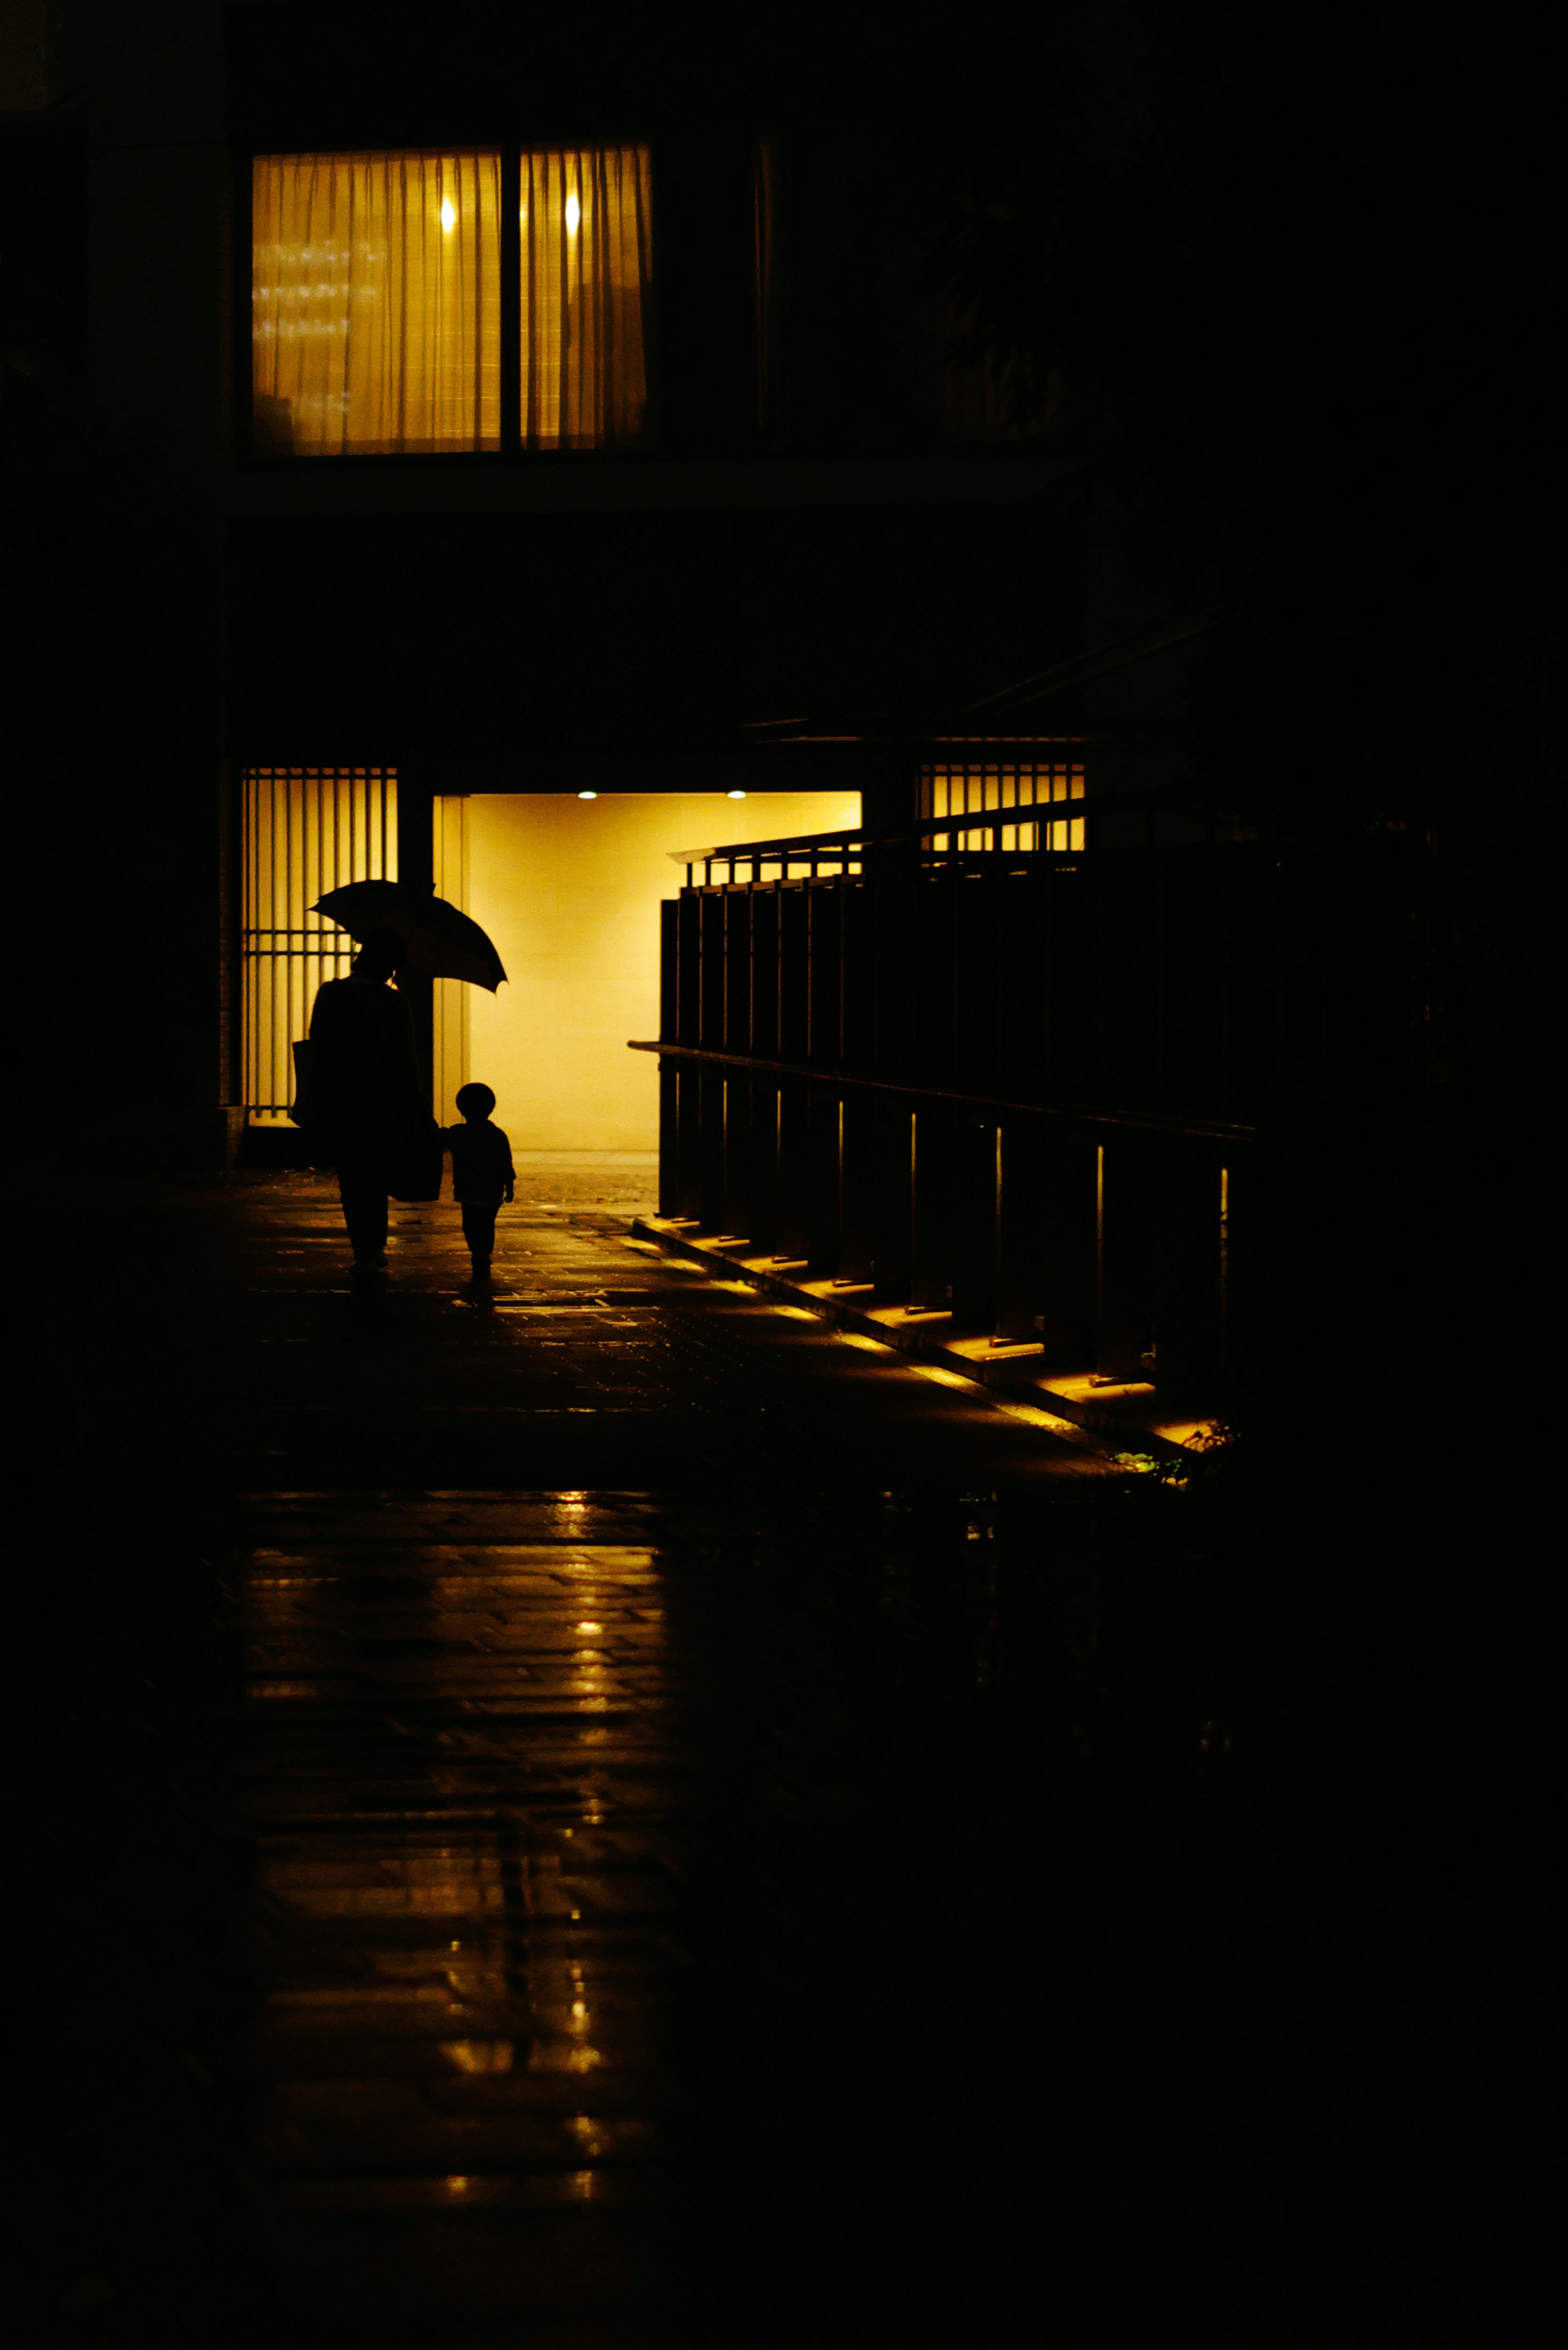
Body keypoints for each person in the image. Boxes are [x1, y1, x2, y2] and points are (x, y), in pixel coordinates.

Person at [307, 924, 423, 1276]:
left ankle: (365, 1248)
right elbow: (406, 1060)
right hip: (383, 1101)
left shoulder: (330, 994)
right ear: (390, 965)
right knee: (377, 1174)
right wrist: (414, 1106)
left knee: (353, 1177)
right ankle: (374, 1246)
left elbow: (318, 1047)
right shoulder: (393, 1002)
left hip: (341, 1100)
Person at [444, 1082, 515, 1291]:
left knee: (471, 1225)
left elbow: (438, 1138)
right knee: (487, 1224)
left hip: (469, 1190)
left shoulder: (459, 1134)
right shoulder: (498, 1135)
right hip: (493, 1191)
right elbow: (506, 1162)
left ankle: (478, 1253)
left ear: (462, 1108)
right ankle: (486, 1252)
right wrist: (509, 1186)